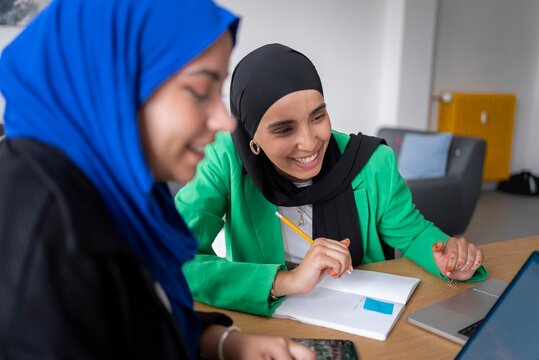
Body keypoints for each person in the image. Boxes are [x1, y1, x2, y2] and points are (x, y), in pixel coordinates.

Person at [0, 2, 314, 359]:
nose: (225, 122)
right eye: (199, 90)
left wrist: (224, 344)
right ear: (114, 81)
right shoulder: (42, 227)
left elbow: (147, 319)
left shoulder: (122, 190)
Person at [175, 43, 488, 316]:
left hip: (360, 317)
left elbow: (414, 234)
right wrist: (284, 282)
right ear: (251, 139)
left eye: (317, 117)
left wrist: (448, 259)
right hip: (266, 325)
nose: (310, 143)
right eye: (285, 129)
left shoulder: (371, 163)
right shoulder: (224, 158)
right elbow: (171, 254)